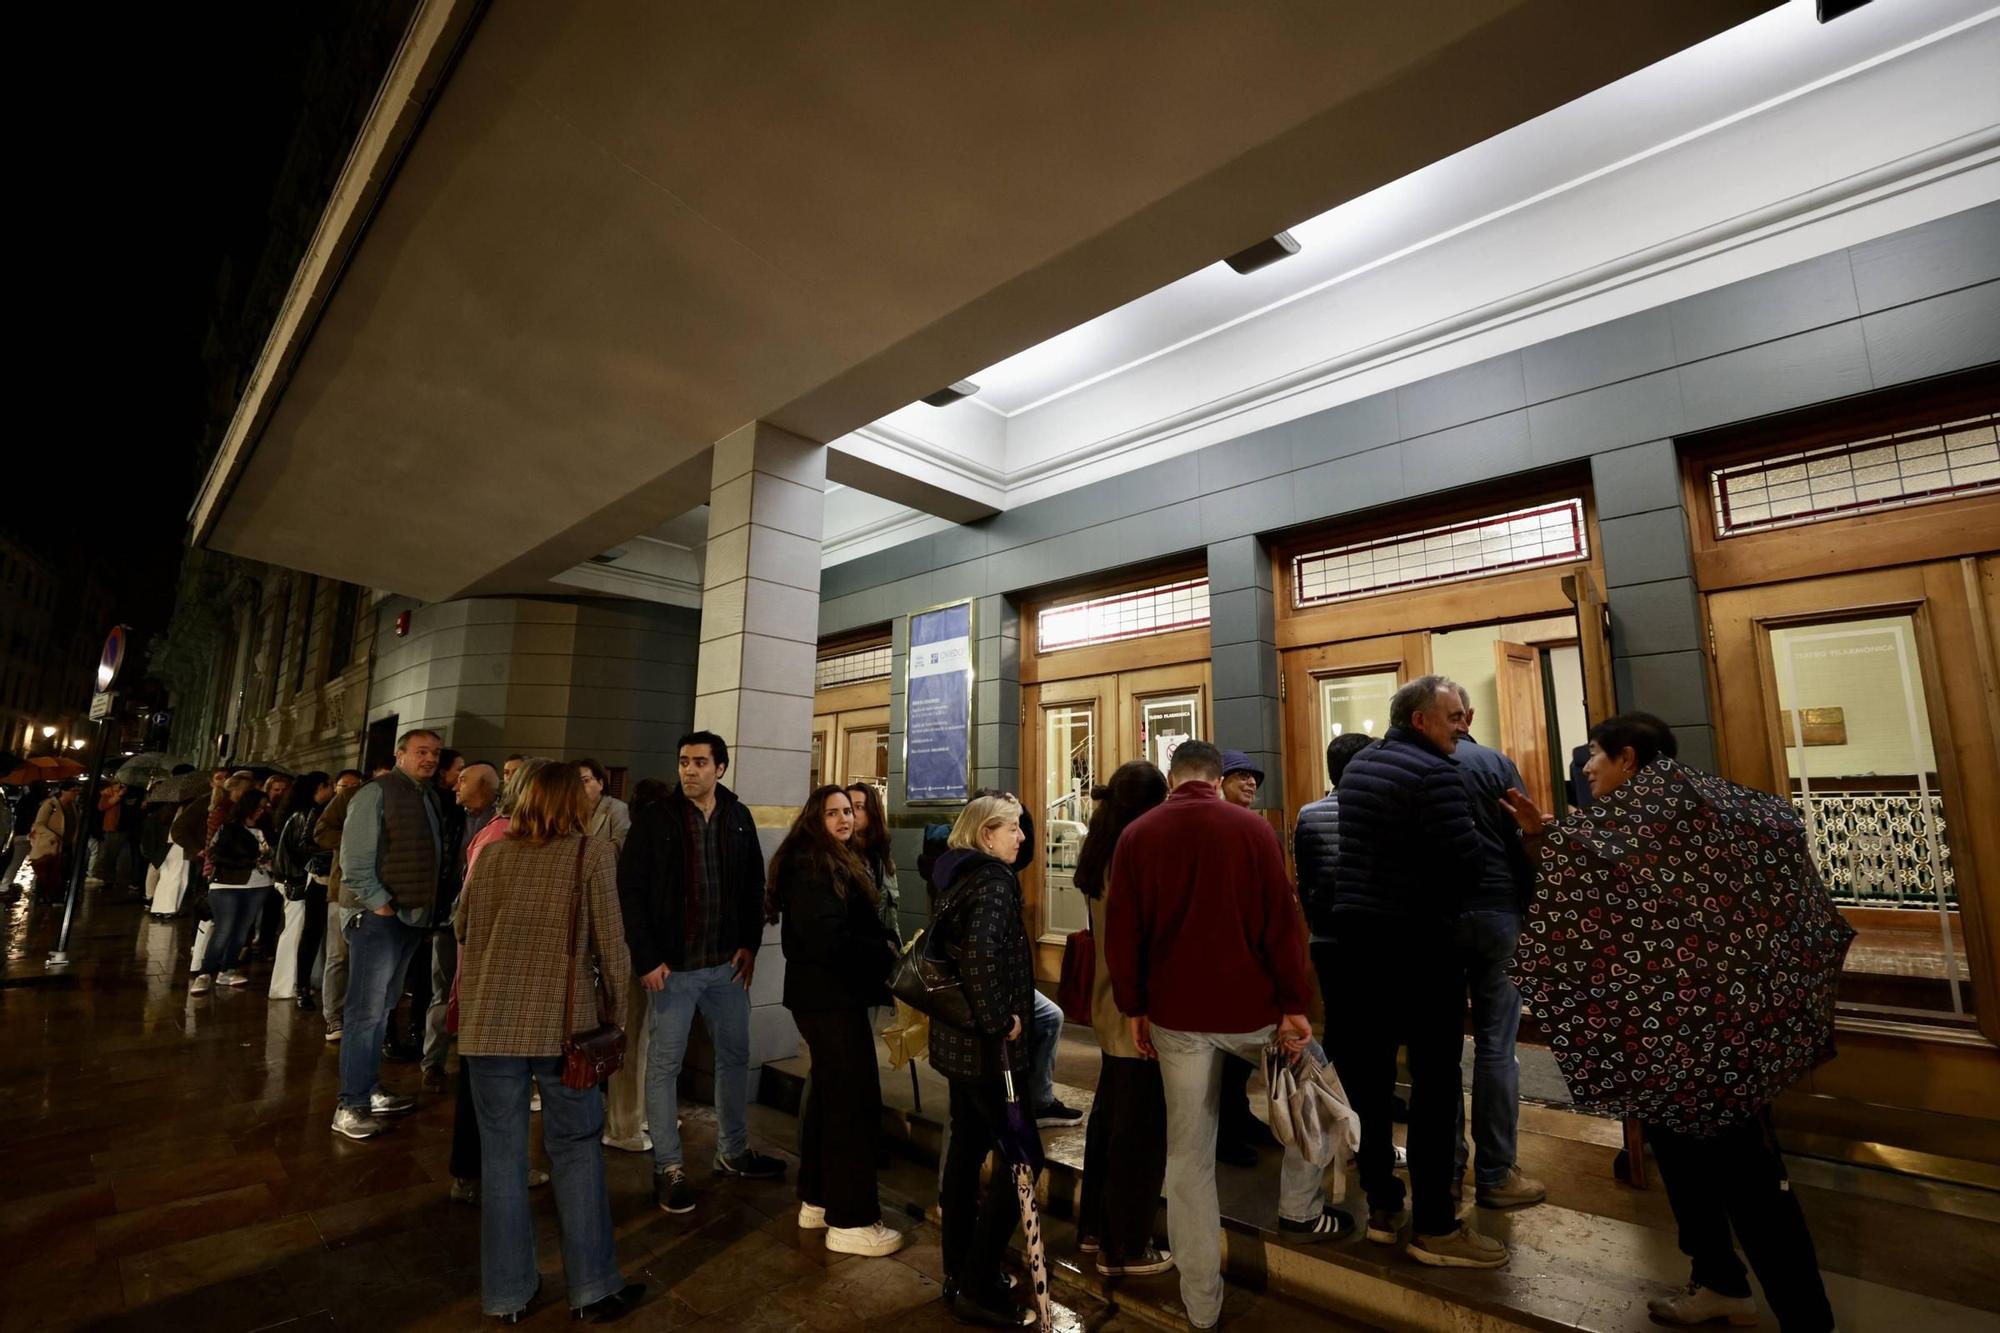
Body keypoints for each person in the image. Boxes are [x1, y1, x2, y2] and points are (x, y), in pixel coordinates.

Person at [1500, 713, 1837, 1331]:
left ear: (1627, 758)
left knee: (1742, 1178)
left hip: (1674, 1032)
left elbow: (1597, 892)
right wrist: (1547, 836)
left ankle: (1798, 1315)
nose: (1585, 769)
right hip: (1727, 1024)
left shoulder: (1632, 822)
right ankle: (1726, 1284)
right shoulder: (1718, 807)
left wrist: (1543, 842)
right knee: (1714, 1166)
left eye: (1593, 756)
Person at [1104, 741, 1346, 1330]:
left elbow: (1123, 932)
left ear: (1172, 776)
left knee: (1187, 1157)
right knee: (1313, 1098)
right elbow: (1281, 923)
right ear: (1217, 779)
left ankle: (1202, 1305)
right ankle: (1298, 1208)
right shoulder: (1252, 831)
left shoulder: (1137, 836)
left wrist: (1135, 1007)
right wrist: (1294, 1006)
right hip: (1252, 1010)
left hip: (1174, 1017)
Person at [455, 761, 646, 1325]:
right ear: (572, 802)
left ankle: (508, 1295)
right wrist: (617, 1014)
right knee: (577, 1150)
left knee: (503, 1161)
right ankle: (592, 1287)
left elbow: (463, 925)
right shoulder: (590, 855)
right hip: (565, 1028)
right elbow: (613, 948)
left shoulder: (490, 854)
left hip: (489, 1026)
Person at [1331, 674, 1504, 1268]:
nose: (1464, 726)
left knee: (1372, 1082)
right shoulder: (1435, 773)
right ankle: (1436, 1225)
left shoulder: (1360, 767)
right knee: (1434, 1084)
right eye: (1454, 716)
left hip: (1361, 943)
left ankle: (1382, 1206)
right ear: (1421, 720)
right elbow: (1466, 861)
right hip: (1420, 944)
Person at [617, 731, 785, 1214]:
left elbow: (754, 885)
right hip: (674, 969)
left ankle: (732, 1152)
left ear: (721, 769)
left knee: (735, 1057)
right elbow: (630, 890)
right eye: (683, 762)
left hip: (726, 968)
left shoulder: (737, 816)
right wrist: (646, 957)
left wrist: (750, 945)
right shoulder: (656, 819)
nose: (689, 770)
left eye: (699, 763)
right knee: (664, 1067)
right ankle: (668, 1168)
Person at [768, 785, 905, 1257]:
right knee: (852, 1105)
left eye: (848, 810)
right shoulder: (814, 865)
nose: (845, 818)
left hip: (829, 998)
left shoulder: (830, 859)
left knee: (830, 1099)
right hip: (831, 1000)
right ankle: (852, 1220)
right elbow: (828, 938)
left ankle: (818, 1199)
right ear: (814, 819)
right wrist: (882, 950)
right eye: (833, 812)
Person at [928, 792, 1039, 1329]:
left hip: (956, 1046)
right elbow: (978, 954)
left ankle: (958, 1270)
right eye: (1014, 828)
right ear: (987, 834)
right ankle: (977, 1280)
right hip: (987, 1050)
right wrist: (1002, 1022)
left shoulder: (955, 873)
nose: (1022, 838)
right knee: (1025, 1157)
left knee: (967, 1150)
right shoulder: (995, 880)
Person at [1073, 760, 1173, 1279]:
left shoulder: (1101, 848)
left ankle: (1094, 1230)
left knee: (1111, 1119)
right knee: (1138, 1129)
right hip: (1135, 1007)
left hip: (1108, 1000)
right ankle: (1126, 1245)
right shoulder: (1134, 852)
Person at [1447, 686, 1546, 1210]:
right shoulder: (1492, 763)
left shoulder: (1406, 763)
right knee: (1495, 1045)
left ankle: (1445, 1169)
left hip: (1433, 921)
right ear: (1468, 716)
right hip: (1497, 913)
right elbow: (1521, 838)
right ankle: (1495, 1172)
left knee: (1436, 1050)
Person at [331, 729, 445, 1141]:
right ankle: (351, 1104)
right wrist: (379, 904)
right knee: (365, 1012)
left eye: (434, 752)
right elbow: (355, 858)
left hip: (407, 917)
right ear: (401, 755)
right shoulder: (375, 792)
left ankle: (368, 1089)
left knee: (380, 1011)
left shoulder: (424, 794)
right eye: (421, 751)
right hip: (379, 917)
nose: (430, 758)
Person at [448, 759, 552, 1205]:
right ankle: (475, 1173)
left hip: (495, 981)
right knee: (483, 1088)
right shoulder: (500, 837)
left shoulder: (508, 834)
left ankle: (489, 1170)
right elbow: (468, 918)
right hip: (490, 982)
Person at [1210, 749, 1284, 1168]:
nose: (1250, 783)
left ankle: (1238, 1117)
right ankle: (1224, 1130)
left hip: (1252, 954)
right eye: (1239, 776)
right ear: (1217, 782)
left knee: (1241, 1057)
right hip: (1224, 955)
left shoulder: (1258, 827)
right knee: (1222, 1054)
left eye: (1253, 777)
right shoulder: (1213, 828)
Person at [579, 757, 647, 1152]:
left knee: (625, 1022)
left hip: (614, 922)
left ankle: (624, 1120)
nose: (581, 787)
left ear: (601, 784)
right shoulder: (570, 814)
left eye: (586, 780)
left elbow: (615, 857)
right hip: (584, 927)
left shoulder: (616, 813)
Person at [1295, 732, 1374, 1012]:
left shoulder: (1308, 814)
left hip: (1325, 933)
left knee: (1337, 1015)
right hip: (1374, 934)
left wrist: (1314, 920)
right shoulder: (1381, 809)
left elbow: (1303, 879)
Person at [194, 790, 276, 995]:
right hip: (228, 883)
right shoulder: (230, 828)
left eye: (264, 807)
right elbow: (216, 854)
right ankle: (205, 972)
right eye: (258, 807)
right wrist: (249, 861)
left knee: (242, 930)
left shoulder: (265, 829)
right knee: (224, 929)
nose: (261, 811)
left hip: (258, 883)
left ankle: (228, 969)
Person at [269, 772, 332, 1002]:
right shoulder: (305, 815)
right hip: (296, 881)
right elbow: (300, 851)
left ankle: (292, 983)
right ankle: (286, 985)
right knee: (294, 934)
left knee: (297, 933)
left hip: (292, 879)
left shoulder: (298, 813)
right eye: (330, 785)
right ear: (320, 787)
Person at [314, 770, 366, 1039]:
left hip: (377, 892)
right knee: (338, 954)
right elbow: (322, 832)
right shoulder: (349, 797)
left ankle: (357, 1012)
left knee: (364, 957)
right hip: (342, 889)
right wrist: (356, 842)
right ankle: (333, 1014)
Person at [844, 782, 901, 942]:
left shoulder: (882, 859)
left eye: (859, 807)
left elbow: (891, 918)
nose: (851, 813)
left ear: (872, 812)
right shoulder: (838, 857)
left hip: (881, 953)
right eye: (847, 806)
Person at [29, 782, 80, 897]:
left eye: (77, 791)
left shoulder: (73, 806)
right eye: (73, 790)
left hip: (66, 844)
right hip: (51, 844)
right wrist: (52, 835)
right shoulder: (50, 805)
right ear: (64, 791)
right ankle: (46, 897)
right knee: (49, 872)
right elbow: (39, 824)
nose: (76, 793)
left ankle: (57, 896)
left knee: (63, 871)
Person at [5, 780, 48, 895]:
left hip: (21, 834)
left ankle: (4, 885)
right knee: (37, 862)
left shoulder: (23, 800)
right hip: (32, 835)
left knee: (16, 862)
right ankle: (36, 887)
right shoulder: (39, 803)